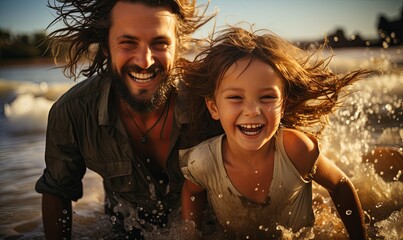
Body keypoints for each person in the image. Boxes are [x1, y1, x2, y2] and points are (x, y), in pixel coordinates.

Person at [35, 0, 213, 239]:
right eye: (128, 43)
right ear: (106, 46)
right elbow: (57, 191)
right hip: (122, 229)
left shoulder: (209, 105)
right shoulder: (73, 112)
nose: (145, 61)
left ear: (178, 46)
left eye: (160, 43)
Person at [179, 26, 370, 239]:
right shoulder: (204, 160)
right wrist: (191, 233)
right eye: (235, 98)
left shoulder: (295, 150)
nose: (252, 111)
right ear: (214, 107)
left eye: (267, 97)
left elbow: (341, 185)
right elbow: (192, 192)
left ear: (283, 104)